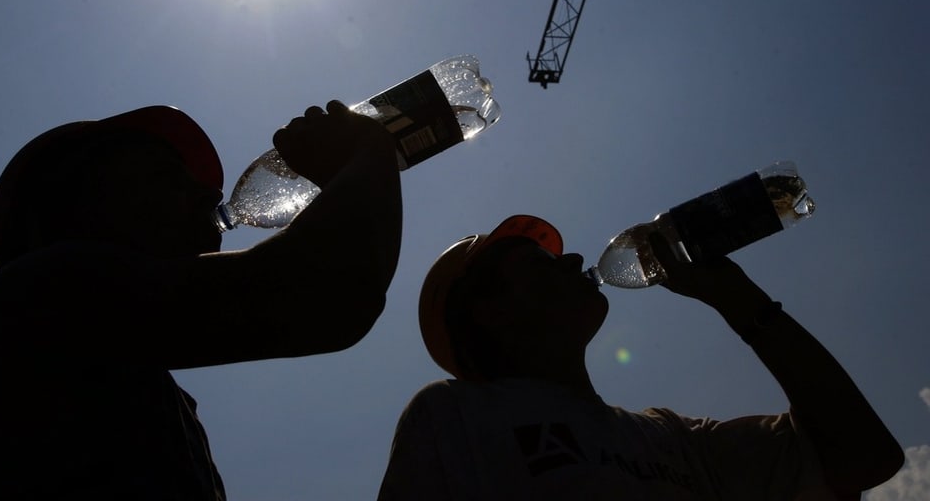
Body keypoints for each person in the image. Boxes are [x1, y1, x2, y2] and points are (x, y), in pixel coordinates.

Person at [0, 102, 402, 500]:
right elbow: (324, 290)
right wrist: (369, 147)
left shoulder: (141, 384)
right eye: (162, 177)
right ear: (72, 206)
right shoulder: (43, 294)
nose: (209, 196)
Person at [378, 214, 903, 500]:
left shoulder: (676, 439)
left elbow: (864, 457)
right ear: (490, 312)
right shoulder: (455, 416)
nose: (578, 261)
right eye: (540, 264)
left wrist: (738, 299)